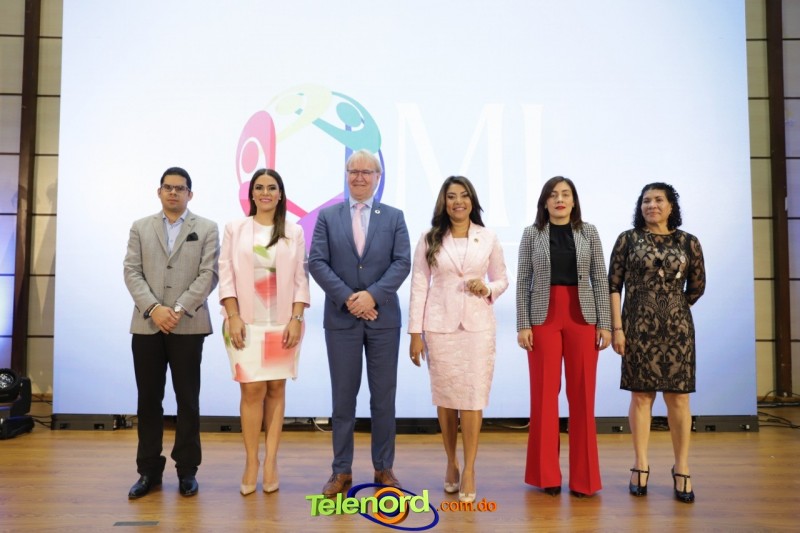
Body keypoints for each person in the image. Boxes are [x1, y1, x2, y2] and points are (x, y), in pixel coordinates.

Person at [308, 149, 411, 498]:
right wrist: (351, 299)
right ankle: (341, 471)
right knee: (343, 400)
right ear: (346, 175)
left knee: (383, 399)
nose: (360, 177)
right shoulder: (328, 216)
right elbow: (317, 262)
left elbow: (402, 262)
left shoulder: (394, 217)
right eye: (354, 171)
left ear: (378, 178)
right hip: (342, 319)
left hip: (383, 320)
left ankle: (384, 468)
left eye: (367, 172)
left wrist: (372, 296)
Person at [408, 176, 508, 504]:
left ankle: (470, 468)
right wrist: (415, 333)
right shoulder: (430, 238)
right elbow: (419, 284)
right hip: (440, 327)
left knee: (473, 398)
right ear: (444, 202)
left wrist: (488, 288)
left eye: (464, 196)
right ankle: (451, 461)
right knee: (447, 398)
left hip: (478, 328)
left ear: (472, 201)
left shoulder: (487, 237)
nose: (458, 202)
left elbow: (502, 278)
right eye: (451, 196)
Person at [123, 167, 219, 499]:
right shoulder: (140, 227)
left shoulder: (206, 228)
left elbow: (209, 274)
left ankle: (187, 470)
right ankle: (148, 471)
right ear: (159, 191)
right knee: (148, 401)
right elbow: (131, 271)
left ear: (190, 194)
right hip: (147, 324)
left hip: (188, 324)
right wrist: (154, 308)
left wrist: (177, 309)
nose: (173, 192)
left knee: (187, 400)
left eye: (180, 188)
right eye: (168, 187)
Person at [608, 182, 705, 504]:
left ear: (671, 206)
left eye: (658, 200)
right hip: (637, 327)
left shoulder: (689, 242)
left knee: (679, 398)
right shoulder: (627, 239)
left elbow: (697, 286)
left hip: (677, 329)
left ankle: (682, 466)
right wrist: (618, 328)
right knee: (641, 395)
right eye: (646, 200)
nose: (652, 205)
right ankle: (640, 464)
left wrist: (673, 307)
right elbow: (613, 286)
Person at [516, 176, 612, 498]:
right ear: (545, 202)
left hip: (582, 317)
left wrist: (605, 323)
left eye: (566, 194)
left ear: (574, 201)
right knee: (544, 396)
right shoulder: (531, 233)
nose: (560, 199)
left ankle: (585, 480)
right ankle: (547, 476)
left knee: (583, 397)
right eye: (553, 194)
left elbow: (599, 277)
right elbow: (523, 280)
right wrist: (523, 324)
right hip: (542, 317)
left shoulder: (589, 232)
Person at [218, 168, 310, 496]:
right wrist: (233, 315)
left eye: (272, 187)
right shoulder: (235, 228)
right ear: (252, 193)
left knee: (275, 388)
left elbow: (301, 278)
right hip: (244, 322)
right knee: (251, 390)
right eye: (260, 187)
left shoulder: (293, 231)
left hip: (282, 322)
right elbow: (225, 274)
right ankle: (251, 461)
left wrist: (297, 318)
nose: (266, 192)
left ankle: (271, 461)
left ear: (280, 194)